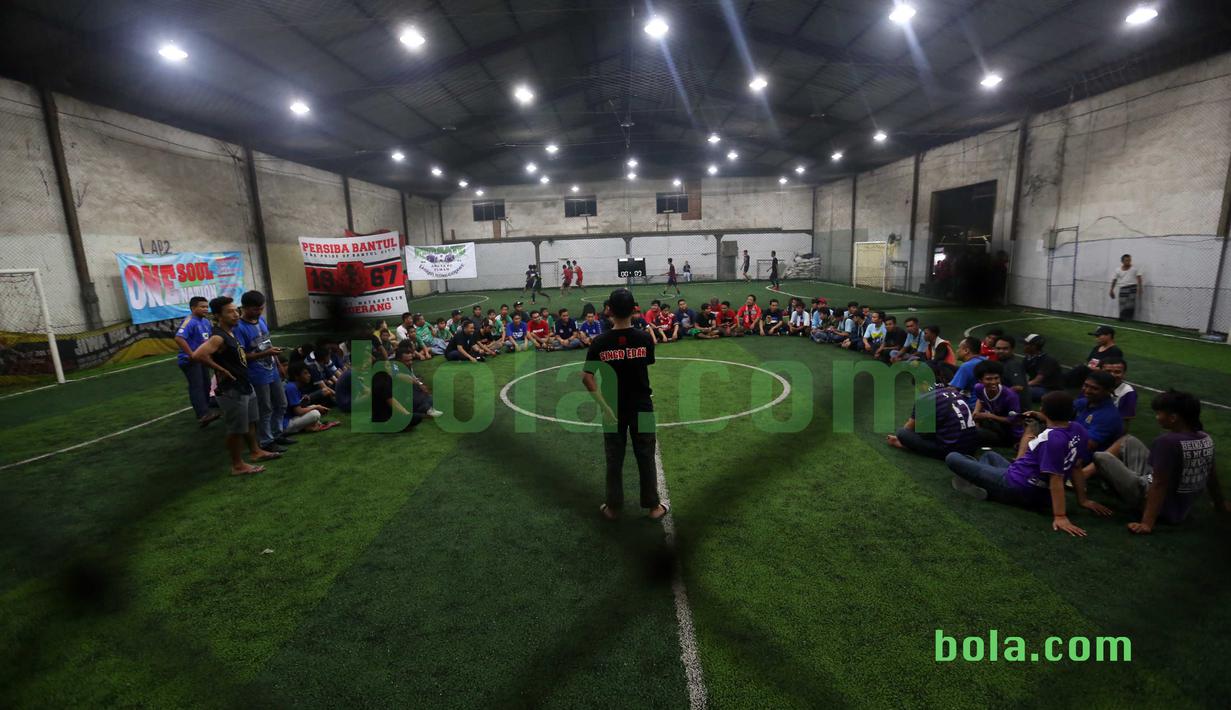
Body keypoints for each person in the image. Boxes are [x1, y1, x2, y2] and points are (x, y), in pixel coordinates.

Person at [945, 391, 1095, 537]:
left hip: (1017, 485)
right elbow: (1076, 466)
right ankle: (978, 483)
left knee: (953, 457)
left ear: (1043, 410)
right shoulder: (1078, 429)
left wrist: (1060, 516)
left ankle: (983, 487)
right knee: (990, 455)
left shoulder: (1051, 439)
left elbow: (1055, 478)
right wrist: (1083, 500)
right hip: (1038, 489)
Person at [1079, 390, 1225, 533]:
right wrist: (1220, 505)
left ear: (1173, 418)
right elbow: (1211, 475)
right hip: (1180, 505)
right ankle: (1086, 476)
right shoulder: (1205, 438)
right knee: (1128, 440)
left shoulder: (1167, 442)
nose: (1157, 417)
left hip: (1159, 505)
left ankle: (1083, 478)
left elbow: (1159, 484)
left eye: (1159, 413)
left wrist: (1146, 524)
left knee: (1101, 457)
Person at [581, 288, 667, 521]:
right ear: (634, 309)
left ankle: (613, 507)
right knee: (646, 454)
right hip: (643, 405)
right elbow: (648, 360)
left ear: (608, 310)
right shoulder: (644, 339)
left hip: (612, 407)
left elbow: (587, 377)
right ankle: (654, 507)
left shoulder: (600, 341)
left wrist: (604, 406)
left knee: (614, 457)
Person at [191, 296, 282, 475]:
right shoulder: (218, 337)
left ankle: (256, 451)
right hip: (231, 389)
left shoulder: (232, 332)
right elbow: (198, 355)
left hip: (244, 383)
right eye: (230, 312)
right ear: (218, 316)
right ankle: (237, 464)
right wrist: (221, 370)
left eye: (236, 310)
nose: (236, 314)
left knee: (251, 421)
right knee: (236, 429)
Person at [236, 290, 290, 452]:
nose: (258, 312)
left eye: (261, 308)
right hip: (256, 373)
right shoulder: (239, 327)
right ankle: (266, 441)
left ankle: (277, 433)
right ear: (244, 308)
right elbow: (242, 355)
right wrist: (266, 354)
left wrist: (278, 364)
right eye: (254, 309)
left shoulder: (261, 321)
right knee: (265, 407)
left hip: (271, 368)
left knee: (281, 403)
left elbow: (267, 343)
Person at [885, 385, 981, 459]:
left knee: (902, 433)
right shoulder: (954, 392)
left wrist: (900, 439)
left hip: (953, 451)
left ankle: (907, 447)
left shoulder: (924, 400)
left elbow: (908, 429)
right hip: (973, 446)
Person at [174, 296, 219, 427]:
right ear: (193, 308)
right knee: (197, 386)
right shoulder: (190, 321)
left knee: (206, 385)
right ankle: (202, 414)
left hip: (202, 359)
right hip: (190, 360)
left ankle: (206, 410)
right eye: (202, 307)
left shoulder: (205, 321)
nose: (205, 309)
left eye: (206, 306)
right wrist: (191, 354)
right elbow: (179, 338)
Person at [971, 360, 1024, 447]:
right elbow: (980, 400)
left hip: (1009, 433)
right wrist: (976, 413)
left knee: (973, 431)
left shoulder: (1010, 396)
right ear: (980, 380)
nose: (993, 382)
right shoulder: (978, 388)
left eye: (996, 378)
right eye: (989, 379)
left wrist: (988, 416)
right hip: (993, 424)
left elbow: (1013, 420)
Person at [282, 362, 340, 434]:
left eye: (308, 373)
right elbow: (298, 412)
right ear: (296, 376)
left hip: (291, 418)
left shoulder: (295, 386)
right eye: (305, 373)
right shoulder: (291, 387)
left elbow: (296, 408)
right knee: (315, 413)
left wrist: (304, 402)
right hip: (286, 424)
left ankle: (311, 426)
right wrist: (317, 407)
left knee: (312, 408)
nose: (309, 375)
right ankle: (309, 426)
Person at [1074, 370, 1123, 452]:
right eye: (1086, 385)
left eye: (1094, 388)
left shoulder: (1108, 417)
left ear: (1108, 391)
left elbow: (1087, 445)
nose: (1087, 391)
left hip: (1089, 460)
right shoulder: (1083, 402)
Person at [992, 335, 1030, 409]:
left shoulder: (1013, 365)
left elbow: (1018, 387)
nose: (1001, 351)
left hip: (1015, 409)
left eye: (1005, 349)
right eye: (998, 348)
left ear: (1012, 349)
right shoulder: (1001, 363)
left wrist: (998, 396)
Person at [1099, 357, 1137, 430]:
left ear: (1124, 374)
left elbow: (1124, 423)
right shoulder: (1091, 385)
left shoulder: (1128, 392)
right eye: (1108, 371)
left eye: (1117, 372)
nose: (1112, 375)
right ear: (1100, 372)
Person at [1022, 333, 1061, 402]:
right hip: (1035, 387)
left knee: (1023, 391)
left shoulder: (1048, 360)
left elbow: (1037, 381)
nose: (1024, 346)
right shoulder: (1028, 358)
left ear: (1034, 346)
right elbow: (1021, 373)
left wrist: (1021, 386)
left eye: (1026, 344)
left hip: (1048, 389)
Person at [947, 337, 987, 401]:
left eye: (959, 348)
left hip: (971, 405)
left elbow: (952, 389)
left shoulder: (966, 366)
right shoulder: (986, 360)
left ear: (966, 351)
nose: (957, 351)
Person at [1109, 253, 1143, 321]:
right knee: (1122, 303)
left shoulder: (1135, 268)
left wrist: (1140, 288)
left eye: (1130, 260)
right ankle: (1122, 318)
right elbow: (1114, 279)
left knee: (1130, 304)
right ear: (1122, 261)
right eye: (1127, 260)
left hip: (1133, 287)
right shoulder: (1117, 269)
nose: (1128, 262)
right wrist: (1111, 290)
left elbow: (1139, 278)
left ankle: (1129, 319)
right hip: (1123, 288)